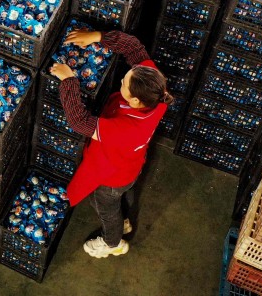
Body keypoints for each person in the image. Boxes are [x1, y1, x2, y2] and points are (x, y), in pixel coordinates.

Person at [49, 28, 173, 259]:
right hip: (131, 165)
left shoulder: (127, 130)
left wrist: (69, 80)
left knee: (106, 206)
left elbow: (79, 121)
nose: (123, 80)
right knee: (124, 194)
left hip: (112, 177)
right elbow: (133, 46)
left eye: (124, 84)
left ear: (134, 100)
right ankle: (124, 219)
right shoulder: (155, 87)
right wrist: (96, 36)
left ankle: (112, 242)